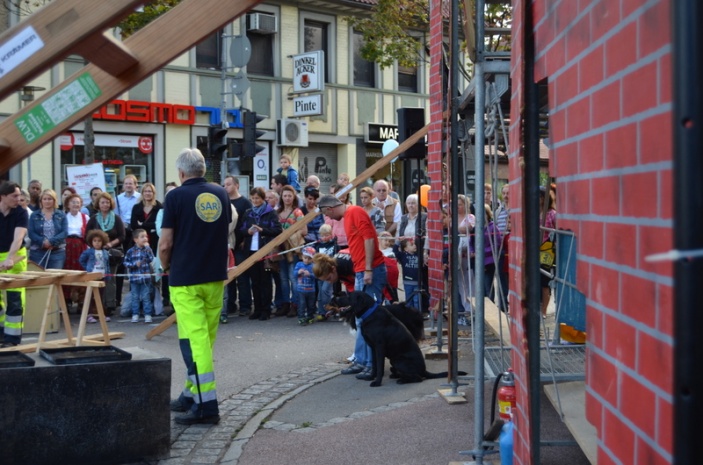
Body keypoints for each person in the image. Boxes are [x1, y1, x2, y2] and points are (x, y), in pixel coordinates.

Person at [160, 148, 231, 425]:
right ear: (203, 169)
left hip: (186, 279)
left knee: (194, 341)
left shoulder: (175, 196)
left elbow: (165, 243)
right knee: (206, 340)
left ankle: (206, 406)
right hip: (214, 276)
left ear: (180, 173)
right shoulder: (221, 194)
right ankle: (191, 394)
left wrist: (164, 266)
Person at [318, 194, 387, 380]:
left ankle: (371, 363)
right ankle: (363, 360)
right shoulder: (350, 215)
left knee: (369, 319)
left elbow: (369, 238)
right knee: (361, 320)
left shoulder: (355, 212)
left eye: (327, 214)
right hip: (362, 270)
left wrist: (368, 268)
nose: (330, 219)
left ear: (329, 208)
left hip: (368, 270)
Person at [237, 187, 282, 321]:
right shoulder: (248, 213)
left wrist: (262, 230)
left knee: (265, 281)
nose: (255, 201)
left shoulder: (271, 213)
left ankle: (266, 310)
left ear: (263, 199)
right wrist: (248, 232)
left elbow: (277, 230)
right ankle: (256, 309)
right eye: (253, 198)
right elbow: (241, 230)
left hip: (265, 251)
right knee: (254, 282)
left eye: (257, 198)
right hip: (251, 251)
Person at [86, 192, 126, 316]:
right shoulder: (93, 219)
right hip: (96, 253)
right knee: (97, 278)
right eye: (102, 202)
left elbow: (122, 236)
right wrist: (96, 245)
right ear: (98, 204)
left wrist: (110, 244)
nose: (105, 204)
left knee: (110, 278)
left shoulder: (116, 218)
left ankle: (109, 304)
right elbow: (86, 235)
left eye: (107, 202)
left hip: (111, 253)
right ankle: (96, 305)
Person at [0, 181, 28, 347]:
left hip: (15, 255)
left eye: (19, 195)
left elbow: (18, 238)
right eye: (14, 196)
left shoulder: (21, 213)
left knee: (15, 297)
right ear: (3, 196)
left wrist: (10, 258)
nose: (19, 199)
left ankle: (12, 339)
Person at [223, 176, 252, 319]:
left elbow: (248, 222)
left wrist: (245, 239)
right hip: (226, 244)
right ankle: (230, 305)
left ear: (237, 185)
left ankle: (245, 306)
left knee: (242, 276)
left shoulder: (245, 203)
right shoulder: (223, 201)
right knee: (228, 277)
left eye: (228, 184)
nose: (225, 187)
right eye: (224, 184)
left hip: (240, 244)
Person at [276, 185, 307, 318]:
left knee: (293, 278)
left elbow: (304, 230)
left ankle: (295, 304)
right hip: (280, 250)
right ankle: (285, 304)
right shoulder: (277, 212)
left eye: (290, 195)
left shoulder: (297, 212)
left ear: (293, 197)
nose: (287, 198)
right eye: (285, 196)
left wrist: (290, 235)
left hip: (293, 250)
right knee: (282, 279)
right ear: (281, 197)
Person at [116, 174, 141, 308]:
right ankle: (117, 298)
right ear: (123, 185)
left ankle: (134, 297)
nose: (128, 186)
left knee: (135, 263)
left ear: (135, 185)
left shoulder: (139, 198)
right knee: (121, 264)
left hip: (135, 231)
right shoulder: (118, 199)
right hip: (122, 232)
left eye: (131, 183)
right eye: (126, 183)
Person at [28, 189, 68, 269]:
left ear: (54, 200)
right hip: (37, 252)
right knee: (38, 278)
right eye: (44, 199)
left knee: (55, 278)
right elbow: (31, 233)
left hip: (57, 252)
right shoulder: (34, 215)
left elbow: (64, 232)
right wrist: (43, 242)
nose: (47, 201)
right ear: (41, 201)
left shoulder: (61, 215)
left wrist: (51, 242)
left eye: (49, 199)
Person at [63, 194, 90, 307]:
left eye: (78, 202)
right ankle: (67, 301)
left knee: (81, 272)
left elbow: (88, 234)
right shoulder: (64, 217)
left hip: (80, 247)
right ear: (68, 204)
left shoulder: (85, 217)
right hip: (67, 248)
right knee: (67, 273)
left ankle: (80, 301)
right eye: (73, 202)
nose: (76, 204)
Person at [79, 229, 111, 323]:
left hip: (102, 276)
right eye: (95, 241)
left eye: (99, 241)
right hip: (92, 276)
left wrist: (107, 275)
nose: (97, 243)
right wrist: (88, 269)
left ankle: (100, 314)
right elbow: (81, 260)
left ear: (103, 242)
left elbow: (107, 264)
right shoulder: (89, 252)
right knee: (90, 296)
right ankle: (88, 314)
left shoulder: (105, 252)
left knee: (100, 297)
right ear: (91, 242)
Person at [124, 229, 155, 323]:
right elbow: (125, 262)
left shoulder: (147, 250)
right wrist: (133, 264)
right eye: (142, 237)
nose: (145, 238)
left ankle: (147, 314)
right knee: (135, 297)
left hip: (145, 279)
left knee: (146, 297)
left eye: (146, 236)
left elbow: (151, 259)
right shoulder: (130, 251)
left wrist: (148, 248)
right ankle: (135, 314)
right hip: (135, 279)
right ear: (136, 239)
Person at [313, 224, 338, 320]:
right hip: (321, 272)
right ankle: (321, 312)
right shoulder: (318, 246)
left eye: (326, 235)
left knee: (326, 291)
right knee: (320, 293)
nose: (324, 237)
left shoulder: (334, 245)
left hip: (329, 273)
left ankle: (330, 309)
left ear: (331, 234)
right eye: (322, 235)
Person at [540, 185, 557, 318]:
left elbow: (557, 232)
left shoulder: (552, 214)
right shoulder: (532, 212)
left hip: (547, 251)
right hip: (533, 250)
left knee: (545, 282)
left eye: (541, 197)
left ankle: (544, 311)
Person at [130, 182, 162, 252]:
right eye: (145, 191)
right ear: (142, 193)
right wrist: (151, 226)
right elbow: (133, 225)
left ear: (153, 193)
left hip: (155, 241)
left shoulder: (159, 207)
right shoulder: (136, 207)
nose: (147, 193)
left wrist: (142, 224)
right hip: (139, 242)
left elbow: (159, 225)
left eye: (150, 191)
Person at [494, 184, 510, 312]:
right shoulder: (498, 211)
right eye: (504, 193)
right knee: (501, 278)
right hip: (501, 249)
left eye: (508, 193)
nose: (506, 196)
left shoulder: (518, 210)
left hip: (514, 248)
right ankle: (503, 306)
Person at [393, 238, 420, 309]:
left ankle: (417, 314)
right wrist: (397, 242)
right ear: (405, 249)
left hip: (418, 282)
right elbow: (395, 251)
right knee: (409, 300)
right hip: (408, 282)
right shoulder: (403, 256)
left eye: (415, 244)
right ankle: (409, 315)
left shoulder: (418, 254)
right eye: (411, 245)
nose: (414, 246)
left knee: (417, 300)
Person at [294, 247, 317, 325]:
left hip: (311, 289)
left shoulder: (313, 266)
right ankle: (301, 317)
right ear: (302, 257)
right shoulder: (299, 264)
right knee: (302, 304)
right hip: (301, 289)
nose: (306, 260)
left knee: (311, 304)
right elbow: (294, 274)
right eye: (305, 258)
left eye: (309, 258)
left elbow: (317, 276)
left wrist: (310, 274)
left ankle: (310, 316)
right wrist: (298, 272)